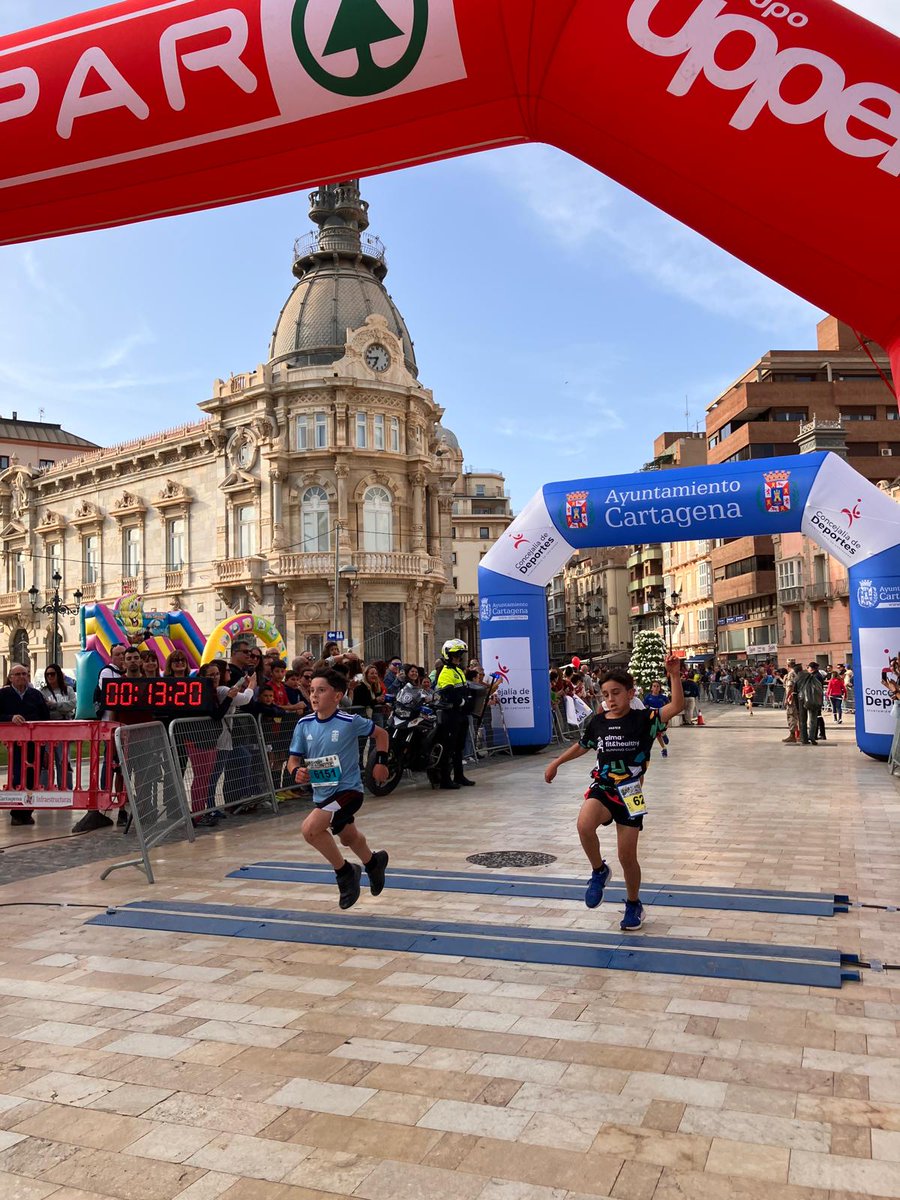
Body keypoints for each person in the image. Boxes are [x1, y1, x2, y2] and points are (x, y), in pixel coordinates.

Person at [544, 655, 684, 932]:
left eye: (616, 693)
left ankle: (633, 904)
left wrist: (675, 675)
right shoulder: (599, 722)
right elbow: (583, 745)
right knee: (584, 825)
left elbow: (677, 706)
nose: (610, 699)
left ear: (631, 693)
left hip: (630, 792)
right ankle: (599, 870)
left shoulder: (646, 719)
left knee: (627, 857)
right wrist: (556, 762)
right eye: (606, 694)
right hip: (603, 787)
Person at [287, 666, 390, 910]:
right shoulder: (304, 724)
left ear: (337, 696)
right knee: (348, 837)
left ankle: (345, 873)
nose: (314, 695)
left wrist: (380, 763)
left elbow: (382, 734)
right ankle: (374, 862)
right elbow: (292, 760)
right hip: (322, 793)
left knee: (310, 830)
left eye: (321, 690)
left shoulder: (349, 721)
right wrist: (295, 771)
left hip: (348, 791)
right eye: (312, 690)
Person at [0, 664, 51, 825]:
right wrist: (10, 718)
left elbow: (45, 718)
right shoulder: (3, 694)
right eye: (18, 674)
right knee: (17, 776)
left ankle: (27, 812)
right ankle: (16, 813)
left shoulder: (35, 695)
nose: (22, 677)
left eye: (24, 674)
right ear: (11, 677)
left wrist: (45, 745)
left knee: (32, 777)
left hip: (35, 744)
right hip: (14, 744)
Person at [434, 639, 474, 789]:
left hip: (460, 714)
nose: (458, 658)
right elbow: (448, 693)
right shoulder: (446, 672)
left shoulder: (458, 671)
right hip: (450, 714)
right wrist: (462, 702)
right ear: (448, 655)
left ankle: (459, 775)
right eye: (456, 655)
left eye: (460, 655)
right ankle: (445, 779)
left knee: (459, 747)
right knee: (448, 747)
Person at [40, 662, 76, 789]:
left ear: (58, 674)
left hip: (64, 730)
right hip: (47, 730)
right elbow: (44, 708)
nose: (50, 676)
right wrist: (62, 708)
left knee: (64, 760)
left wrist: (54, 705)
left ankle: (66, 789)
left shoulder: (68, 690)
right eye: (47, 674)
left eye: (52, 674)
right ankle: (45, 789)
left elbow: (72, 704)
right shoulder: (43, 692)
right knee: (46, 761)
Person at [795, 661, 825, 746]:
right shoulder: (819, 676)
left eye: (808, 667)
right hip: (814, 700)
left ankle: (804, 738)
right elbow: (820, 689)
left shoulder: (800, 677)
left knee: (803, 720)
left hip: (802, 699)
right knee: (813, 719)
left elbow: (795, 690)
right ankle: (812, 736)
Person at [643, 679, 670, 757]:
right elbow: (644, 706)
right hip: (652, 716)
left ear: (660, 688)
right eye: (654, 686)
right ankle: (664, 748)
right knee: (656, 734)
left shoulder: (663, 697)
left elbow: (669, 705)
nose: (656, 688)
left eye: (658, 686)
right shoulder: (648, 697)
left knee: (660, 730)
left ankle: (663, 732)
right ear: (651, 688)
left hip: (662, 715)